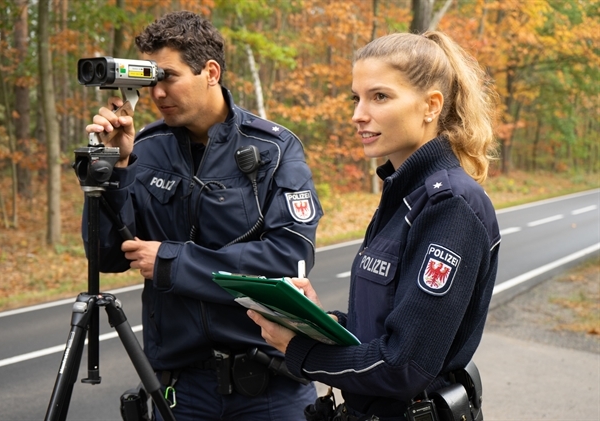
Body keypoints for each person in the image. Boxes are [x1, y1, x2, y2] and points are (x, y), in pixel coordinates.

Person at [248, 31, 501, 421]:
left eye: (379, 96)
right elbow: (385, 325)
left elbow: (405, 366)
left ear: (431, 105)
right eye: (356, 97)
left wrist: (300, 350)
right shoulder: (402, 192)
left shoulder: (449, 205)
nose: (358, 114)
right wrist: (318, 321)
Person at [83, 10, 322, 421]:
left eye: (168, 77)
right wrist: (114, 167)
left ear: (210, 71)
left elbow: (289, 258)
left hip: (269, 385)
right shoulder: (145, 146)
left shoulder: (274, 150)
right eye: (149, 80)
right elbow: (106, 256)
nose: (157, 93)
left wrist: (173, 263)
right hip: (181, 390)